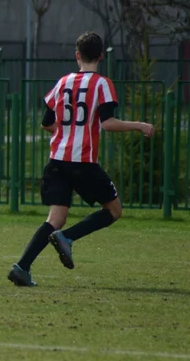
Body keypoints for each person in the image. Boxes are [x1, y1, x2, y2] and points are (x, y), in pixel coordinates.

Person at [8, 31, 154, 287]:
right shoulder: (102, 83)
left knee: (55, 218)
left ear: (77, 55)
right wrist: (139, 125)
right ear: (100, 56)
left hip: (57, 160)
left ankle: (21, 267)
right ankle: (67, 238)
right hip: (83, 162)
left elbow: (46, 123)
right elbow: (107, 123)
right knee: (114, 210)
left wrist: (64, 133)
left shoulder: (63, 82)